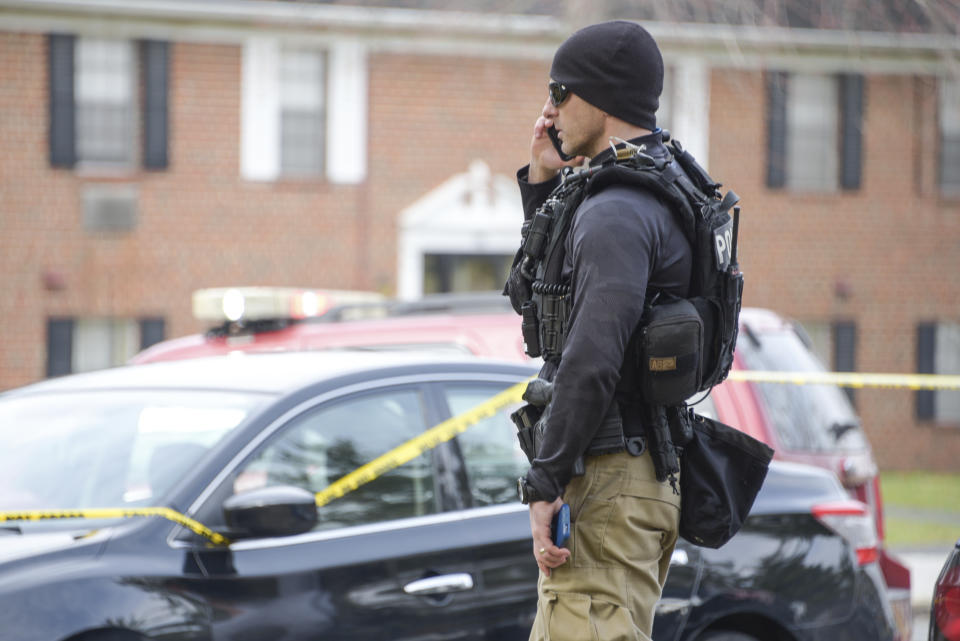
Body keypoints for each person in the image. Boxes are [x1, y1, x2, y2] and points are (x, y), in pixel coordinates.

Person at [509, 21, 694, 641]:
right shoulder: (648, 186)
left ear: (601, 100)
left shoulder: (616, 209)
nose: (549, 109)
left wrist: (547, 478)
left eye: (560, 92)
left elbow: (590, 357)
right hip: (635, 477)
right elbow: (551, 298)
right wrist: (542, 183)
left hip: (609, 480)